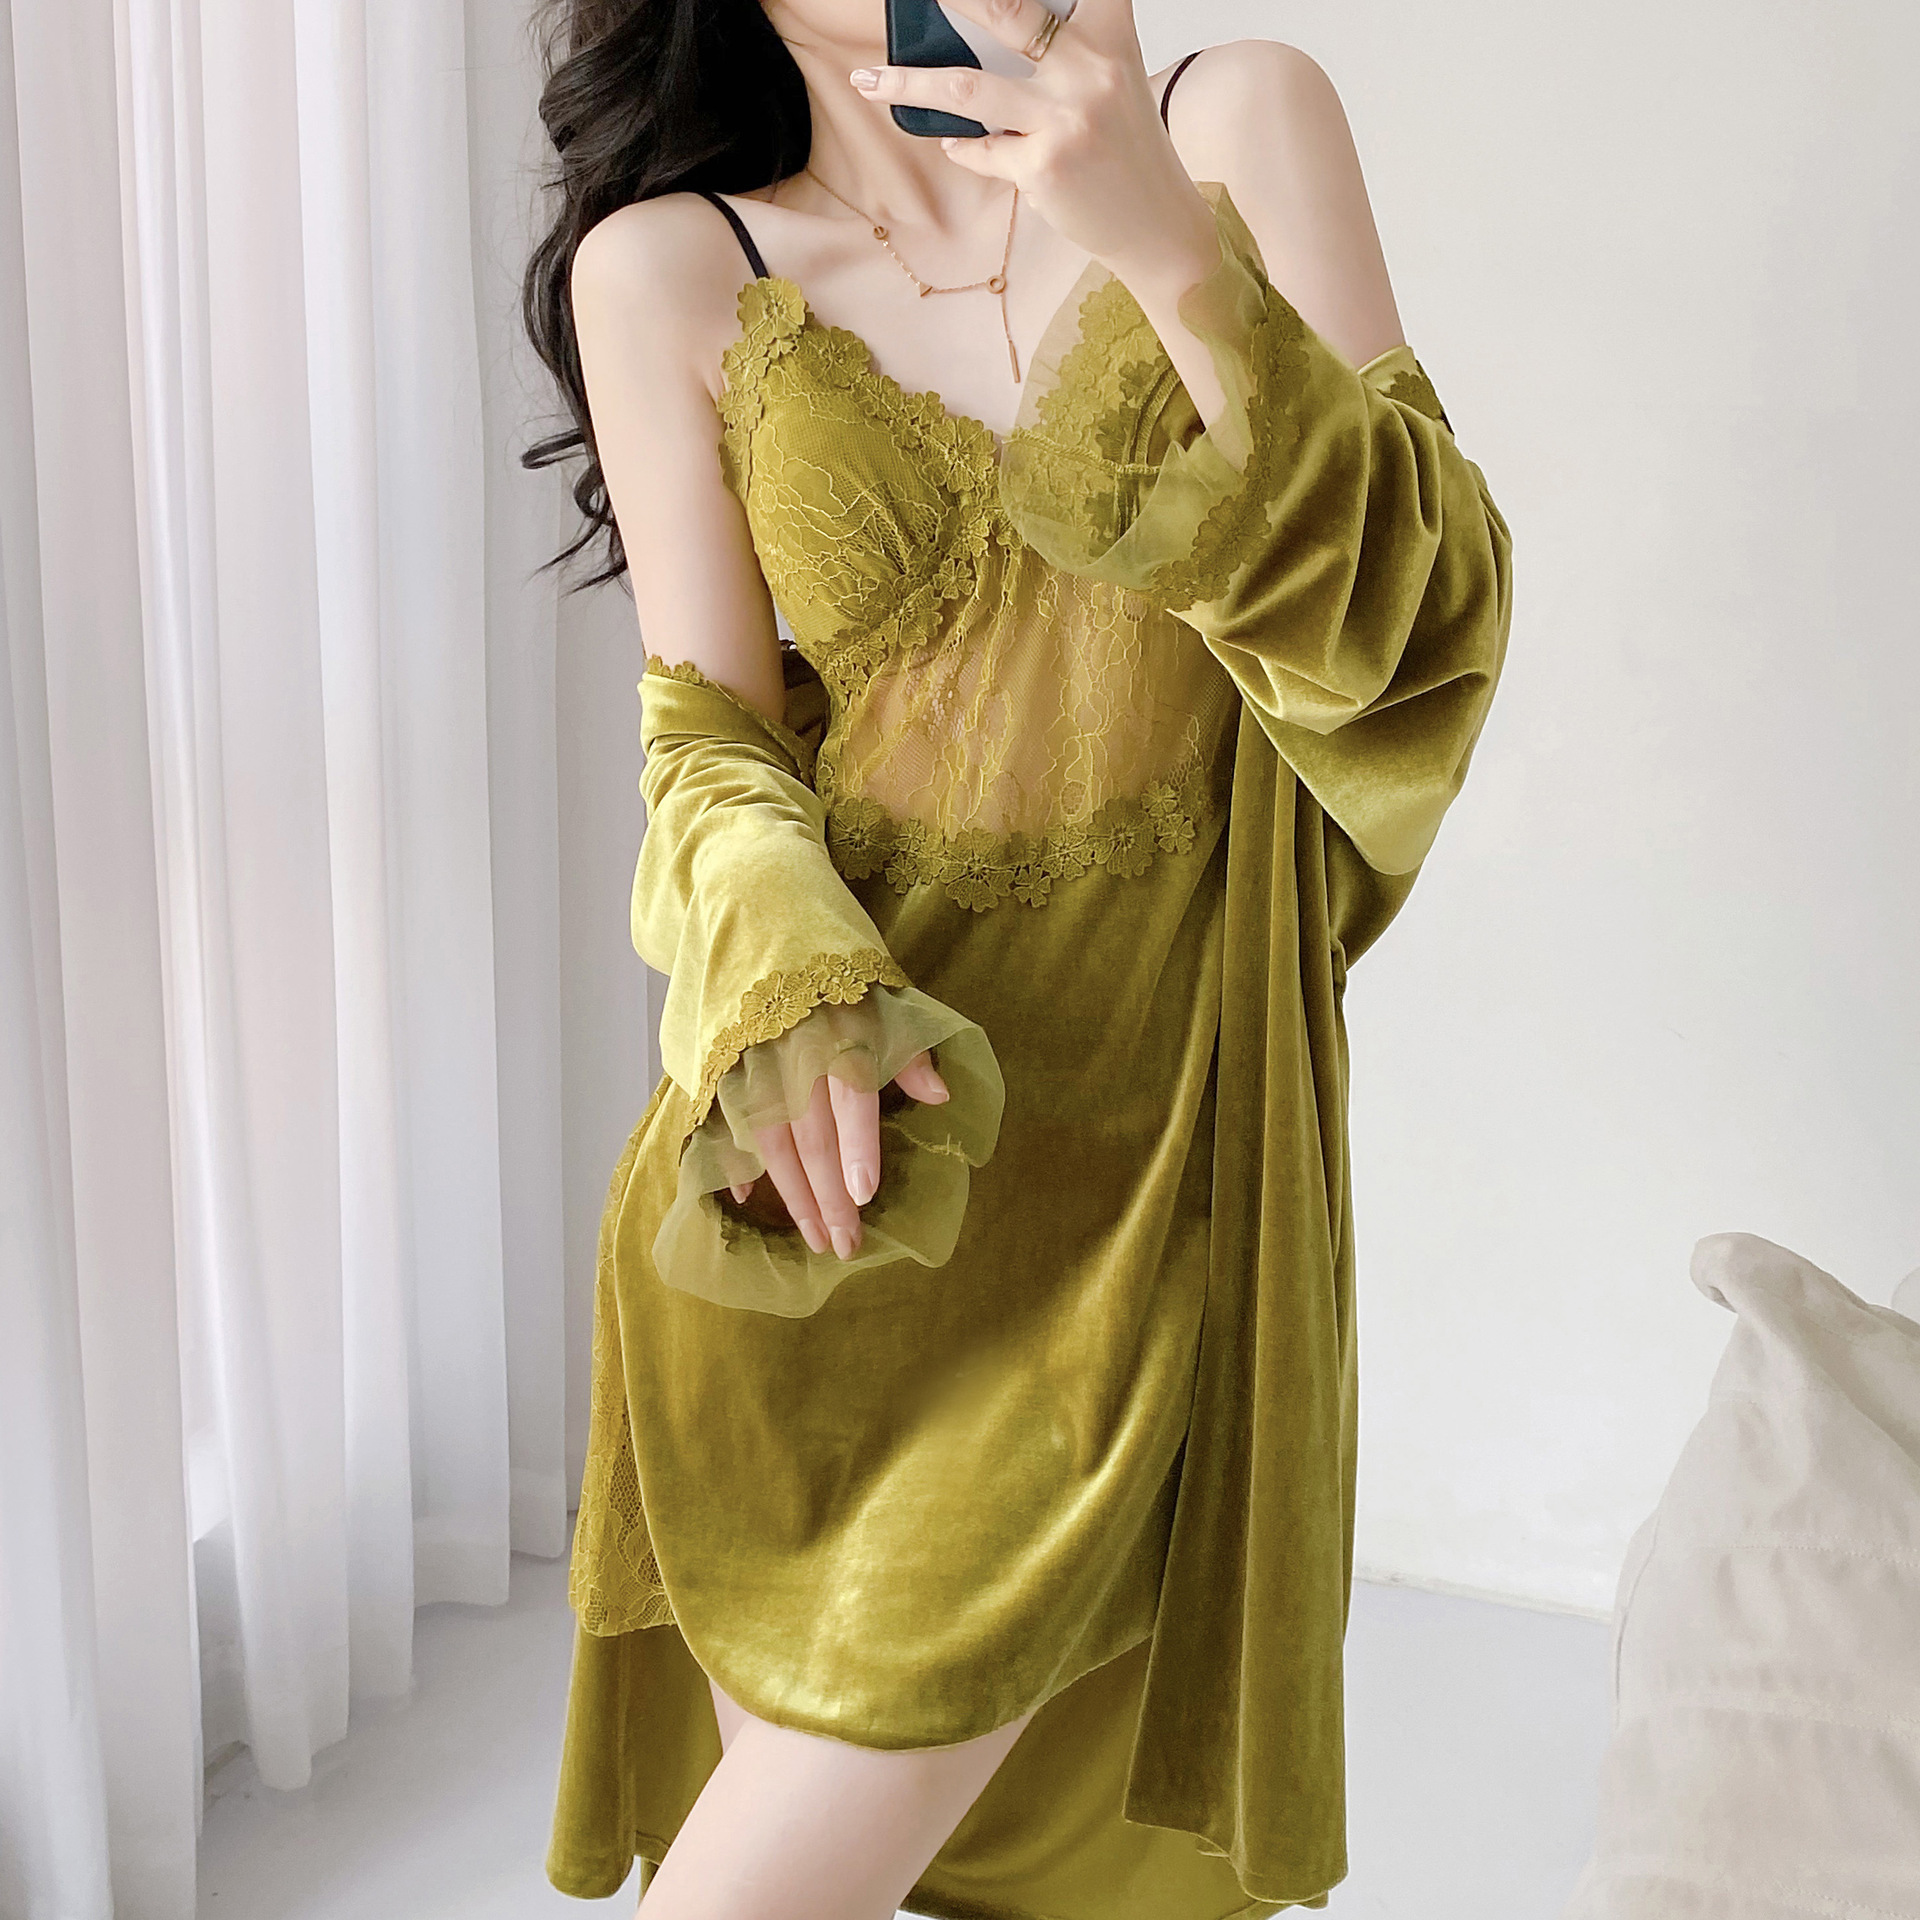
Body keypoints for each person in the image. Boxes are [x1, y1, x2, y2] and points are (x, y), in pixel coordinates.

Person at [521, 0, 1513, 1913]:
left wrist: (1163, 243)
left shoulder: (1237, 121)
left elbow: (1420, 631)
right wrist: (791, 983)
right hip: (853, 1171)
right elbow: (711, 748)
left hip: (1165, 1167)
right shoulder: (668, 267)